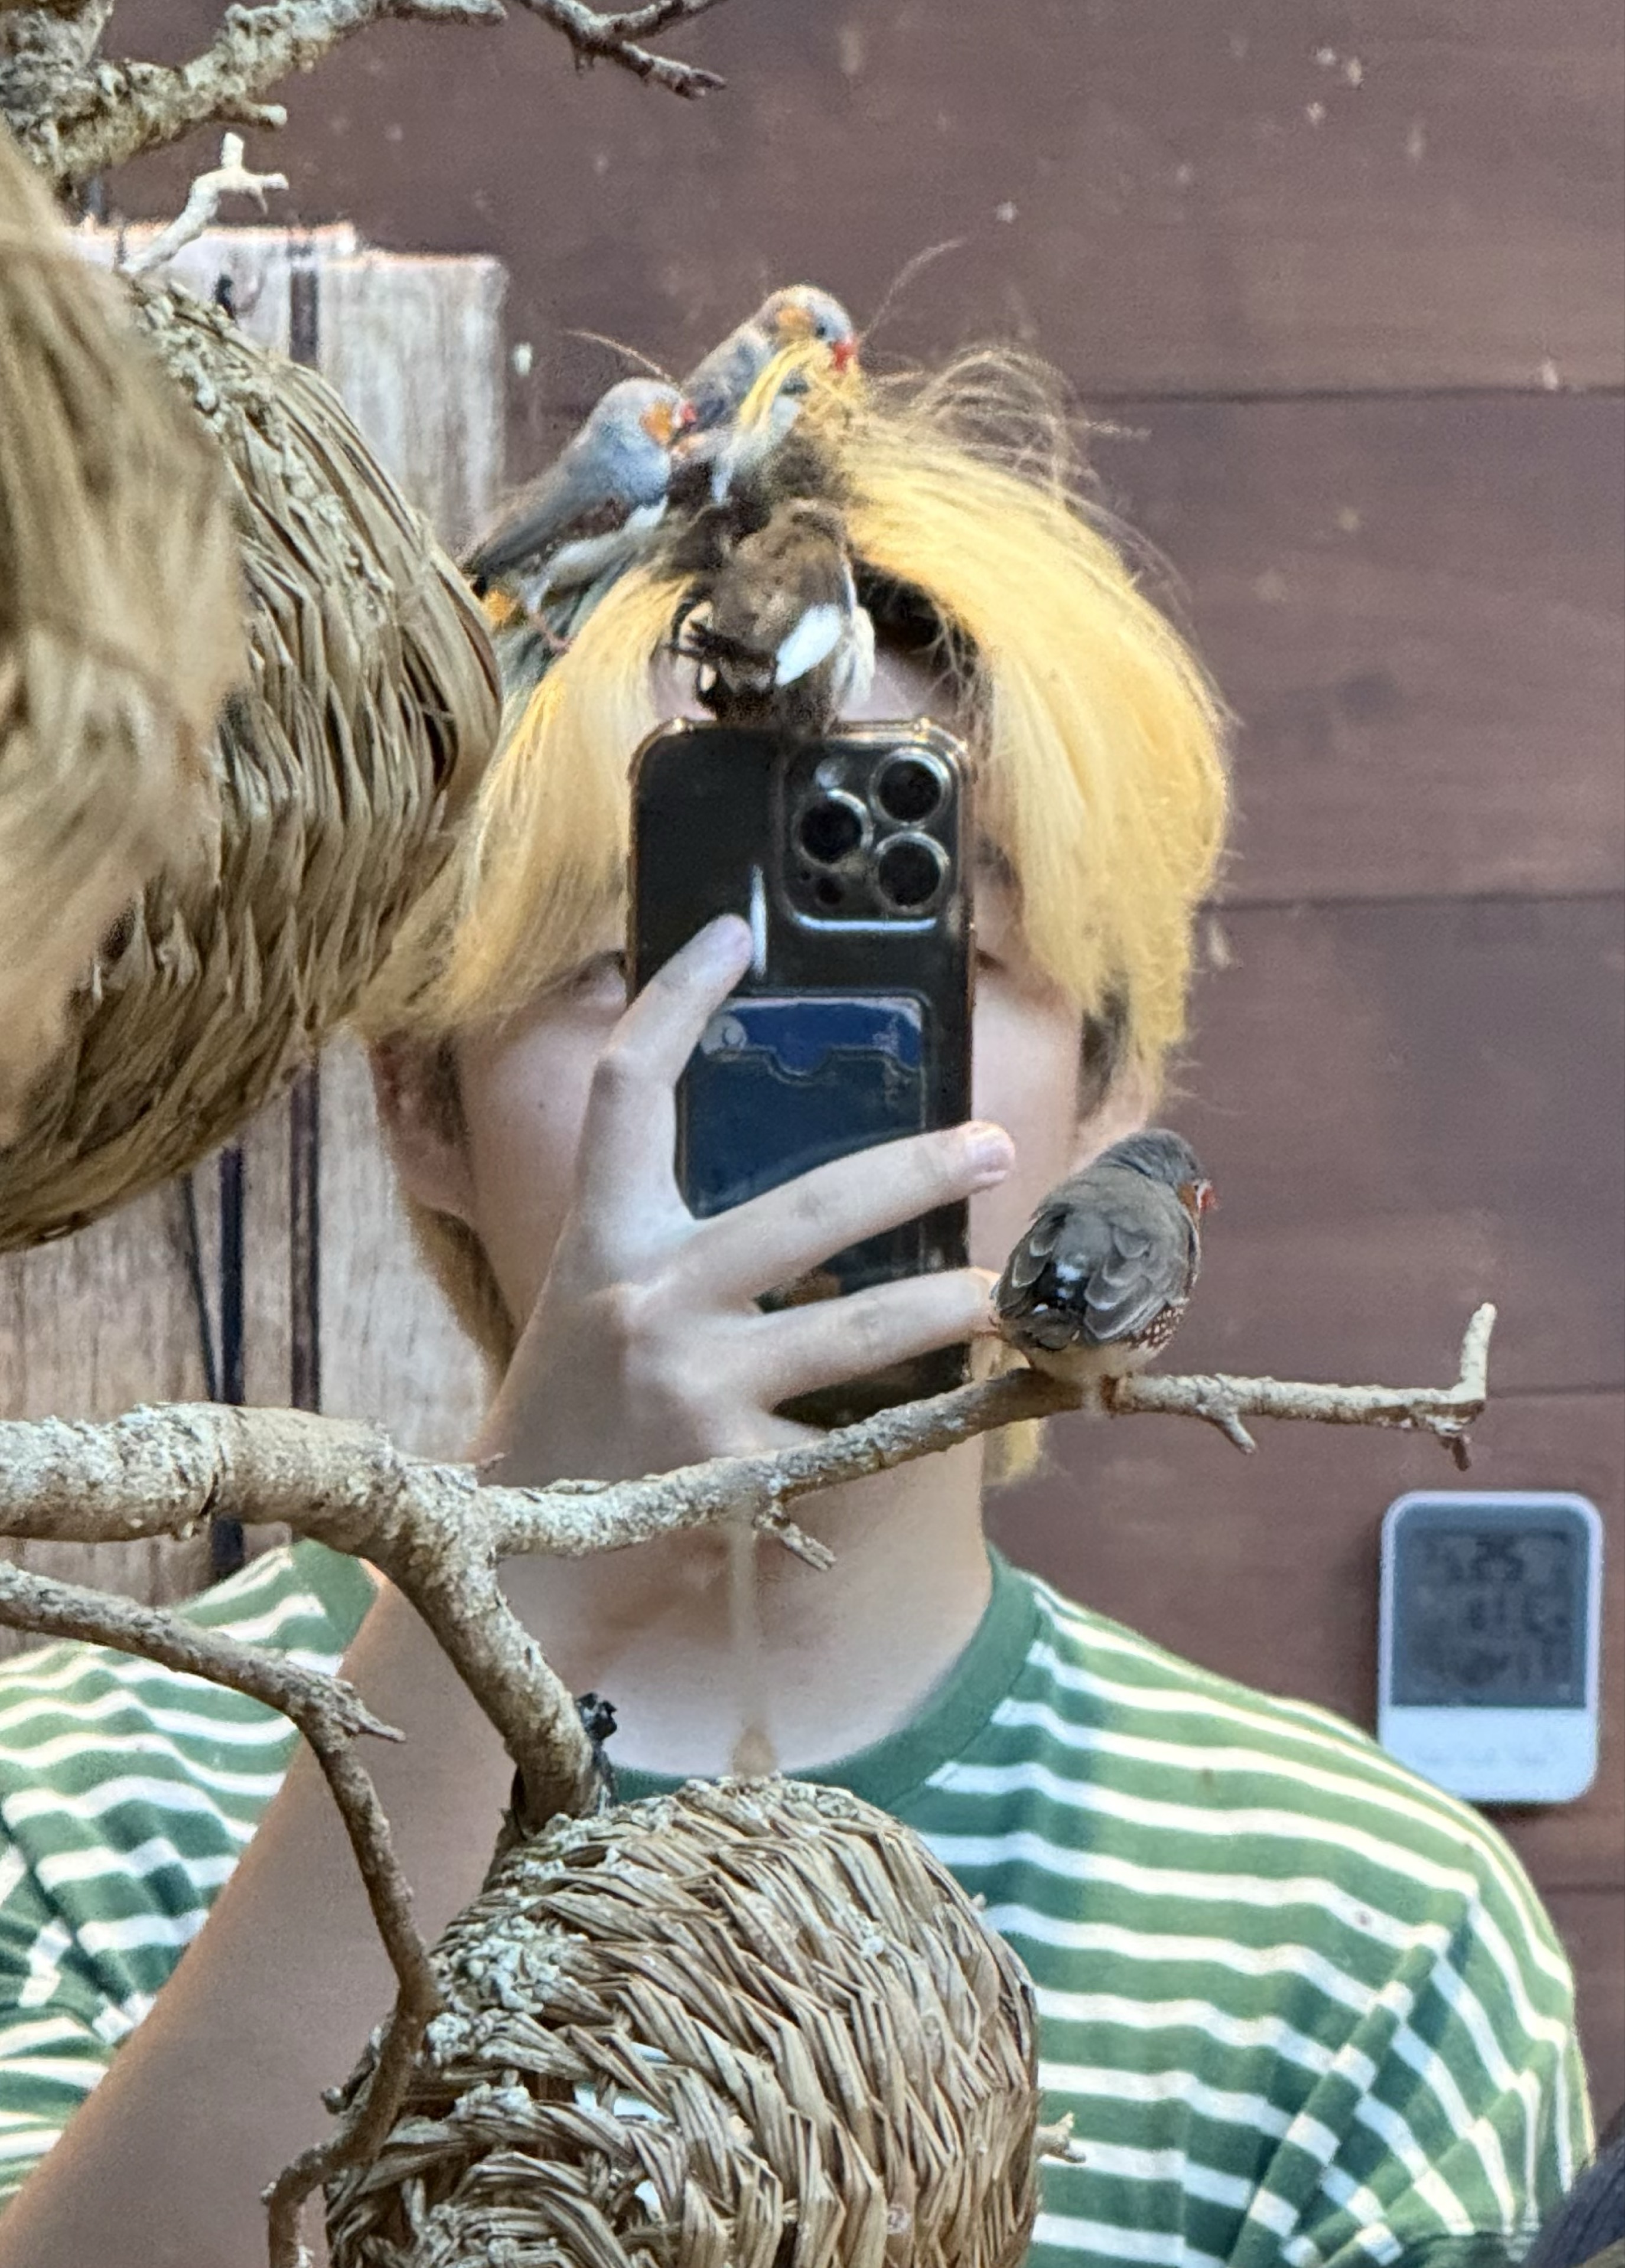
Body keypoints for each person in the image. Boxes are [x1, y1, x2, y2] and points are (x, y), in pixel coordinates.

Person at [0, 354, 1591, 2266]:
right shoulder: (68, 1809)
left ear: (1109, 1088)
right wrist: (515, 1594)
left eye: (933, 945)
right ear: (415, 1095)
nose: (779, 1037)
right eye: (640, 957)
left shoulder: (1365, 1944)